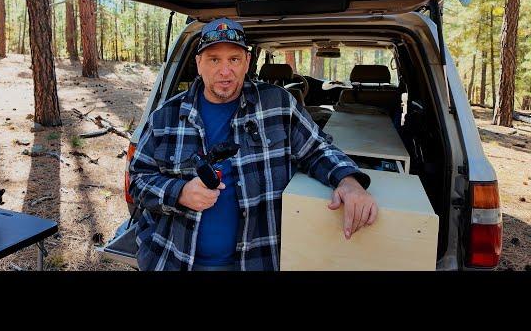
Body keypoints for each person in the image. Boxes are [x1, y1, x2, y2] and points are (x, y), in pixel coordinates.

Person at [128, 18, 378, 271]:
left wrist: (349, 181)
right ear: (198, 64)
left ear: (247, 63)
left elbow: (317, 149)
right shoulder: (165, 116)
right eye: (214, 59)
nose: (225, 71)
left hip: (258, 260)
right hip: (174, 260)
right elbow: (138, 180)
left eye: (234, 59)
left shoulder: (278, 105)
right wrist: (180, 193)